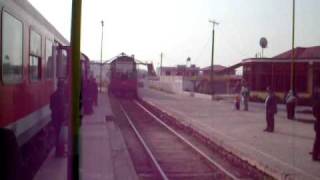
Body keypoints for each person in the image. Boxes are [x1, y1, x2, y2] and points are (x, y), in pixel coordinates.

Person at [50, 80, 68, 157]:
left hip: (54, 118)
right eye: (63, 86)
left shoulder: (52, 95)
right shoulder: (62, 95)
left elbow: (51, 107)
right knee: (61, 136)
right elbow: (62, 108)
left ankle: (58, 152)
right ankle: (60, 152)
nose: (63, 88)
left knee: (57, 136)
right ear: (61, 86)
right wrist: (64, 119)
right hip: (60, 119)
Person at [312, 87, 320, 161]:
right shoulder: (318, 103)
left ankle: (315, 155)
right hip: (319, 123)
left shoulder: (317, 102)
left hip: (317, 123)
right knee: (318, 140)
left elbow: (313, 112)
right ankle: (315, 155)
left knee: (317, 140)